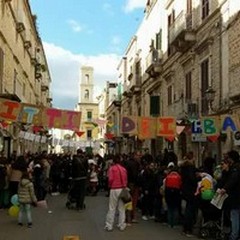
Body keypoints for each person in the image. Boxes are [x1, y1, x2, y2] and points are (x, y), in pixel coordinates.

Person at [218, 150, 240, 240]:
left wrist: (224, 189)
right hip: (235, 196)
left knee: (234, 215)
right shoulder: (234, 168)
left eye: (228, 158)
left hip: (236, 196)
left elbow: (232, 180)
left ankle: (234, 236)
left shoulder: (236, 168)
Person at [104, 155, 127, 231]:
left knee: (112, 207)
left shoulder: (112, 169)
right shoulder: (123, 169)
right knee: (122, 208)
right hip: (122, 189)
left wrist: (110, 186)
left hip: (114, 189)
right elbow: (126, 179)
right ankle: (121, 225)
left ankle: (109, 225)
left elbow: (110, 179)